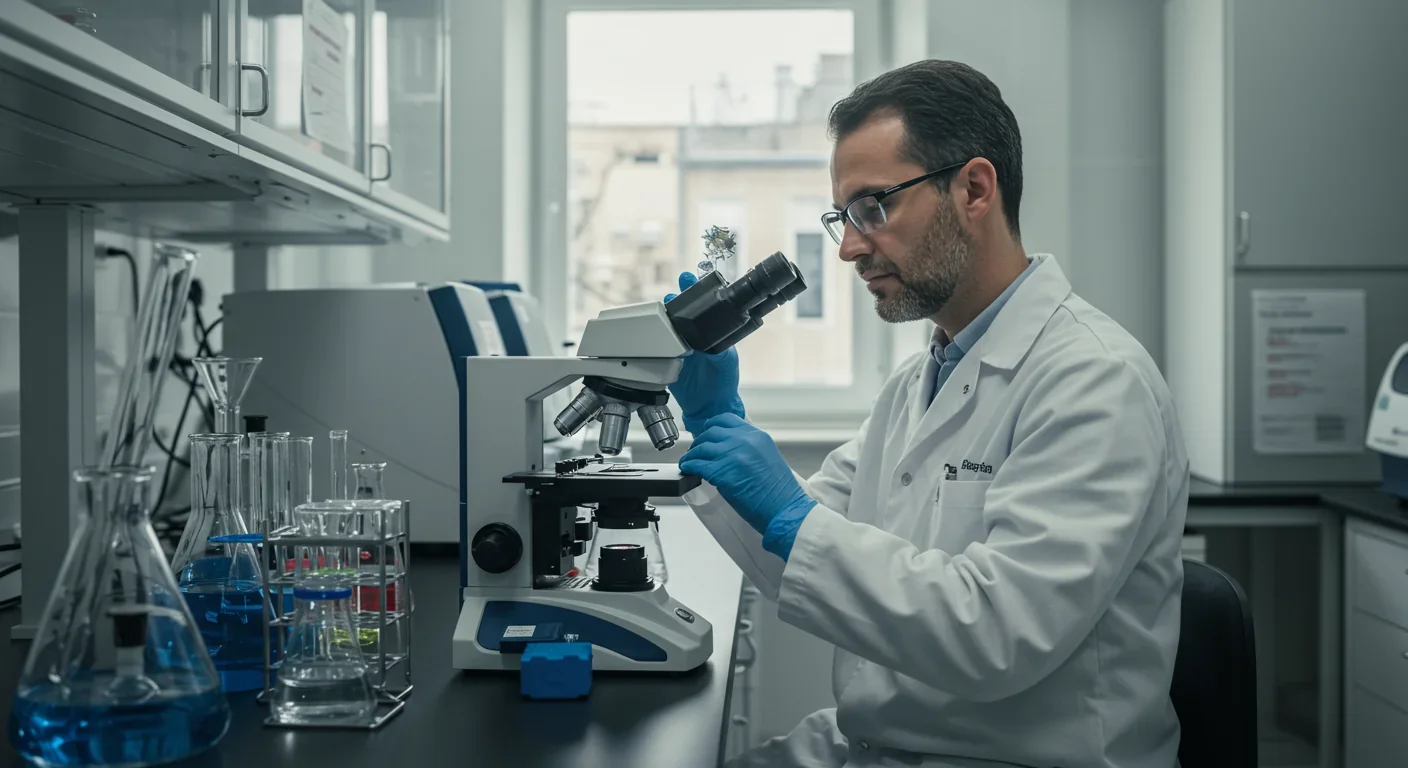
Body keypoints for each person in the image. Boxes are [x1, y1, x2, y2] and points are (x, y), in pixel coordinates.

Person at [671, 59, 1189, 768]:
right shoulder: (921, 380)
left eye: (873, 207)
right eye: (842, 217)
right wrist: (716, 427)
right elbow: (793, 554)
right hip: (882, 745)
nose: (850, 247)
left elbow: (999, 634)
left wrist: (795, 516)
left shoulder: (1096, 382)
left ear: (974, 189)